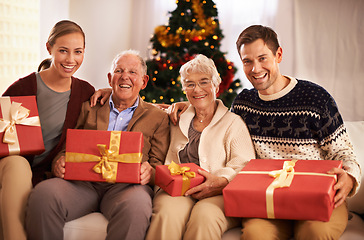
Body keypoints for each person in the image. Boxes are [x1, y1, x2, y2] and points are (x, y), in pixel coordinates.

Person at [170, 25, 361, 240]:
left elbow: (345, 153)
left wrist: (351, 178)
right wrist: (189, 106)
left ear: (278, 55)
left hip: (317, 195)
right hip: (266, 197)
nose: (255, 68)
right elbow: (219, 122)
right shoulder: (244, 103)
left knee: (314, 233)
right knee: (255, 234)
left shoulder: (316, 98)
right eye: (247, 61)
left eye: (262, 58)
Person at [25, 49, 170, 240]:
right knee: (44, 194)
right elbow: (66, 147)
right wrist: (59, 162)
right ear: (110, 78)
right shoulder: (89, 105)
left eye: (133, 72)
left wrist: (149, 172)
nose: (125, 76)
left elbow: (158, 164)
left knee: (137, 206)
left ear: (143, 82)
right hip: (82, 184)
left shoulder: (158, 117)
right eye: (119, 71)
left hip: (126, 188)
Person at [0, 20, 94, 240]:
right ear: (49, 48)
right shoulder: (22, 88)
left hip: (48, 173)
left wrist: (178, 105)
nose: (71, 60)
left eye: (78, 52)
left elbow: (118, 104)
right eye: (63, 51)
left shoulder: (86, 92)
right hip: (12, 164)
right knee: (18, 164)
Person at [145, 54, 255, 240]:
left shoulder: (233, 123)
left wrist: (222, 180)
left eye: (204, 82)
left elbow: (244, 165)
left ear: (216, 86)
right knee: (167, 214)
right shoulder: (176, 116)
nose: (197, 89)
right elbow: (139, 106)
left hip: (219, 192)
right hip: (178, 189)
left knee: (204, 217)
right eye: (190, 84)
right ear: (184, 89)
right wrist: (109, 92)